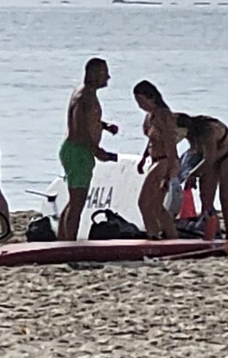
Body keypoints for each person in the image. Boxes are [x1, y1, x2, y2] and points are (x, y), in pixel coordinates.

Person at [58, 58, 119, 242]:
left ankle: (63, 241)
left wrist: (105, 126)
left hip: (79, 150)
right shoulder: (84, 96)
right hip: (78, 151)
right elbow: (79, 128)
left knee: (74, 201)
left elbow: (87, 120)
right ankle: (69, 242)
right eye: (103, 73)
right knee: (77, 202)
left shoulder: (89, 95)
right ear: (92, 74)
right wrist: (96, 150)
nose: (107, 77)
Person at [177, 113, 228, 239]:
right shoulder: (190, 135)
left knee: (226, 197)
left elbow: (209, 158)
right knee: (206, 197)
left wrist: (194, 174)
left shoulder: (207, 130)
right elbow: (195, 153)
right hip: (208, 157)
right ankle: (212, 231)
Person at [133, 81, 180, 240]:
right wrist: (144, 157)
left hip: (164, 160)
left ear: (151, 97)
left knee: (144, 202)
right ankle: (172, 236)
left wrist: (170, 170)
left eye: (141, 101)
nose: (140, 105)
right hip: (154, 159)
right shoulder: (150, 116)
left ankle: (153, 235)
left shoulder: (163, 115)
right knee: (157, 206)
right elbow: (152, 140)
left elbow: (170, 143)